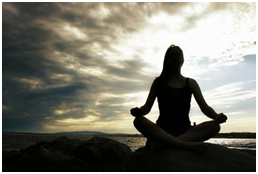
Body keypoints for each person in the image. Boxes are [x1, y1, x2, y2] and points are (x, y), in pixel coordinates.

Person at [130, 45, 227, 151]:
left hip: (185, 131)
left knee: (215, 126)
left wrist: (216, 117)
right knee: (138, 121)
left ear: (182, 59)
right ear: (167, 60)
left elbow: (205, 108)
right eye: (171, 56)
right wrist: (138, 111)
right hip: (162, 130)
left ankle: (165, 144)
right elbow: (147, 108)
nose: (175, 58)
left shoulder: (190, 83)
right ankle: (184, 144)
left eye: (177, 55)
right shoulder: (159, 82)